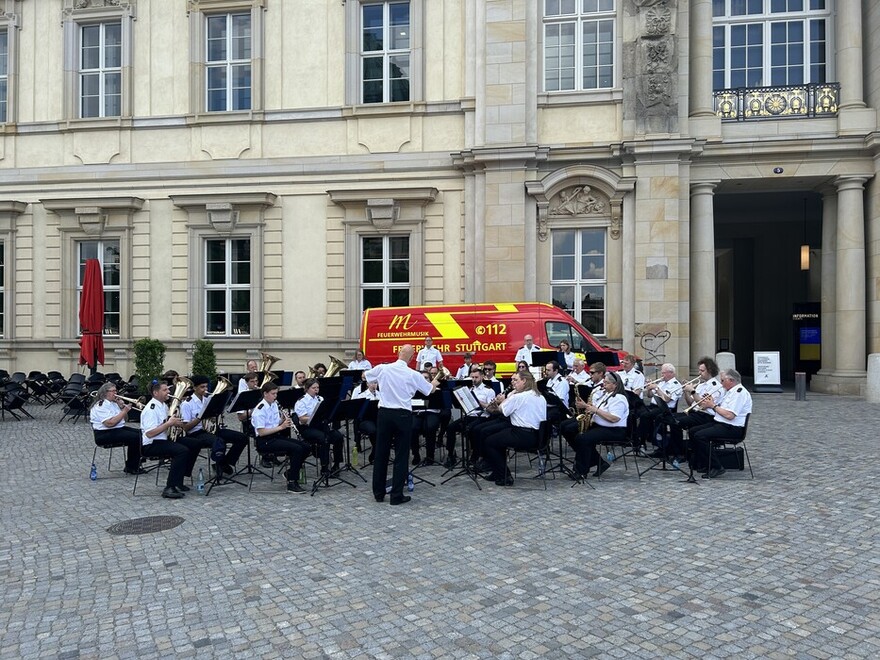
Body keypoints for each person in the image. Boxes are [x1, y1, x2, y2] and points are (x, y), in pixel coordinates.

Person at [363, 344, 440, 505]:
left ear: (398, 353)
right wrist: (435, 382)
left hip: (384, 413)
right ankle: (396, 495)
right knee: (401, 455)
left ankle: (378, 493)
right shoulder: (413, 374)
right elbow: (429, 391)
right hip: (403, 415)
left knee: (381, 453)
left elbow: (366, 376)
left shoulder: (383, 368)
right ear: (412, 358)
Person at [482, 370, 547, 486]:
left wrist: (502, 400)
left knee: (489, 442)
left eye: (516, 380)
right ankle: (499, 472)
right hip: (538, 436)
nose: (513, 383)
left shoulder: (519, 397)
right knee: (498, 437)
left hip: (522, 435)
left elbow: (499, 410)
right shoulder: (540, 396)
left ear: (524, 381)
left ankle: (504, 476)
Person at [180, 375, 248, 477]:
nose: (205, 389)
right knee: (219, 442)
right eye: (202, 387)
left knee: (242, 438)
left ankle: (224, 463)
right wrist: (200, 418)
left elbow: (212, 417)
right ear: (195, 388)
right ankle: (220, 464)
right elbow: (186, 428)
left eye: (206, 387)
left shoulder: (207, 399)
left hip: (211, 429)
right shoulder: (187, 404)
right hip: (197, 433)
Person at [690, 368, 753, 479]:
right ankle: (703, 463)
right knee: (693, 431)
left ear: (731, 380)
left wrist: (713, 406)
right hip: (721, 423)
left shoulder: (739, 393)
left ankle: (717, 467)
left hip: (733, 428)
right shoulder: (730, 392)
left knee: (700, 436)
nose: (721, 383)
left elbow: (730, 415)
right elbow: (720, 411)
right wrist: (711, 403)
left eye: (723, 380)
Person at [251, 382, 310, 493]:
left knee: (305, 446)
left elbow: (274, 423)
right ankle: (292, 482)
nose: (275, 396)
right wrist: (281, 427)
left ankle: (290, 472)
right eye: (273, 394)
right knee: (296, 449)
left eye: (276, 394)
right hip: (265, 441)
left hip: (275, 437)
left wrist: (282, 419)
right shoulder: (260, 410)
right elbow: (262, 432)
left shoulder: (273, 404)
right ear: (265, 394)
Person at [570, 372, 629, 478]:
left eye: (606, 383)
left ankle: (582, 471)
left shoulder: (619, 398)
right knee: (575, 433)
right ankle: (593, 463)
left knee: (583, 438)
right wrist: (585, 405)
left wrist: (594, 410)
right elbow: (596, 409)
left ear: (615, 385)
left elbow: (614, 418)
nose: (603, 385)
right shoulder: (606, 395)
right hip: (601, 426)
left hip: (614, 430)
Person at [140, 380, 191, 499]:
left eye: (168, 389)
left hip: (162, 439)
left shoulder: (162, 405)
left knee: (194, 444)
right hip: (151, 444)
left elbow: (164, 425)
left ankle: (179, 481)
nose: (168, 391)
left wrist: (175, 426)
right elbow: (149, 433)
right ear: (155, 393)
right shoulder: (151, 409)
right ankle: (169, 487)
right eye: (165, 390)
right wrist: (169, 424)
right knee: (181, 451)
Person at [668, 356, 723, 459]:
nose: (699, 373)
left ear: (710, 370)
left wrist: (693, 391)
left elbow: (703, 405)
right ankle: (674, 449)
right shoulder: (701, 385)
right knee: (670, 417)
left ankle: (679, 453)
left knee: (675, 422)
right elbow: (691, 404)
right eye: (699, 370)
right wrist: (686, 391)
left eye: (702, 370)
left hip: (705, 416)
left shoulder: (716, 386)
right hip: (694, 413)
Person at [443, 366, 496, 468]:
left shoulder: (488, 391)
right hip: (469, 415)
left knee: (472, 429)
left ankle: (475, 456)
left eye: (476, 377)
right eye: (472, 377)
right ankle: (451, 455)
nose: (474, 380)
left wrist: (479, 402)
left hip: (482, 416)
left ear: (482, 377)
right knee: (450, 428)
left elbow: (491, 409)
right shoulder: (470, 389)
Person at [89, 382, 143, 475]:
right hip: (104, 433)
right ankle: (132, 466)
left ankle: (136, 462)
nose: (115, 393)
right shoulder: (100, 406)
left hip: (117, 429)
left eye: (116, 391)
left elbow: (125, 419)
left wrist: (122, 408)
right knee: (135, 437)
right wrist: (125, 410)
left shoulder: (114, 403)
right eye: (113, 391)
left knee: (142, 433)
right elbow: (110, 423)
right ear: (105, 392)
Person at [294, 378, 345, 474]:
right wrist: (313, 417)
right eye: (313, 388)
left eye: (317, 387)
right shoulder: (301, 401)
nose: (316, 390)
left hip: (320, 425)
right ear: (307, 388)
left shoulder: (320, 399)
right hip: (307, 428)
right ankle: (324, 468)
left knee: (338, 437)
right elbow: (301, 418)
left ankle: (336, 464)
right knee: (324, 439)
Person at [639, 363, 681, 455]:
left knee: (645, 416)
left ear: (671, 373)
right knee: (640, 413)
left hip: (665, 408)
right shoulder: (662, 382)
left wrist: (657, 388)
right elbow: (650, 396)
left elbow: (667, 399)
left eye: (664, 373)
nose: (662, 375)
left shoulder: (675, 384)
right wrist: (649, 388)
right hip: (654, 406)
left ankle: (643, 442)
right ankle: (645, 438)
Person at [353, 380, 380, 463]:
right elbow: (357, 411)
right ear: (367, 384)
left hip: (378, 419)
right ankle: (375, 452)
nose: (374, 385)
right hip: (365, 420)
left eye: (375, 383)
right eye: (372, 383)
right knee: (373, 431)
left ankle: (378, 452)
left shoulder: (381, 394)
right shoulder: (362, 395)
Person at [541, 360, 570, 426]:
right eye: (546, 370)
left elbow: (559, 401)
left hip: (560, 409)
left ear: (556, 371)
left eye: (548, 370)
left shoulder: (562, 382)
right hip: (550, 406)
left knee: (545, 416)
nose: (546, 372)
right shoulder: (550, 380)